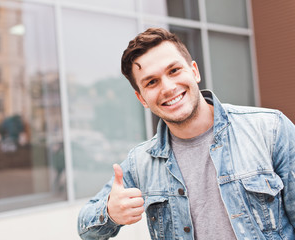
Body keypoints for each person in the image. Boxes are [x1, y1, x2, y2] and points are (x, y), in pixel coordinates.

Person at [77, 28, 295, 240]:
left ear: (194, 71)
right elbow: (86, 228)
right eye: (152, 82)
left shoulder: (270, 129)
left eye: (174, 71)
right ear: (141, 98)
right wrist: (111, 214)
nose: (169, 87)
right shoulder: (141, 163)